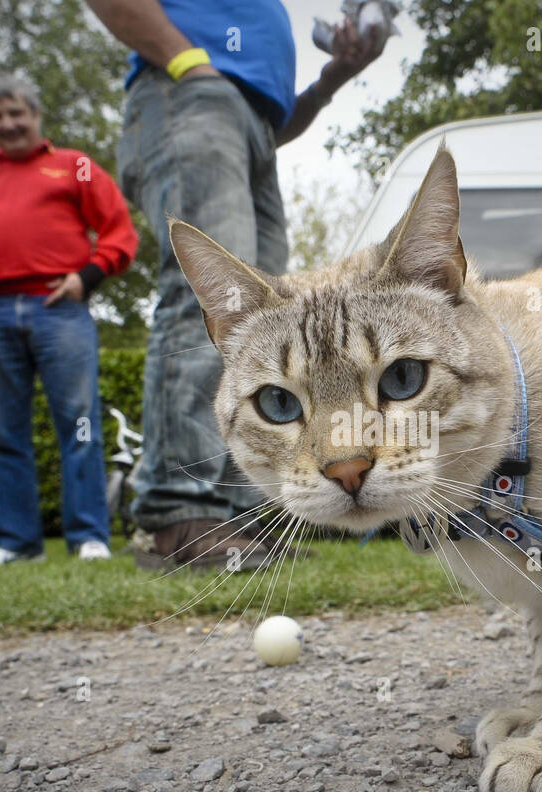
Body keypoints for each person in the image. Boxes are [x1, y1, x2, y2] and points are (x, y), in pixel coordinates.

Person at [84, 0, 386, 570]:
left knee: (261, 328)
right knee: (211, 300)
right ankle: (180, 511)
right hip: (188, 93)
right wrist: (190, 65)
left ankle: (242, 515)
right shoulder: (199, 62)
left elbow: (281, 121)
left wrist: (329, 81)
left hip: (255, 124)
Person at [0, 75, 138, 566]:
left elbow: (118, 230)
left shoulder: (73, 167)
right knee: (1, 431)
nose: (8, 124)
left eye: (17, 114)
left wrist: (86, 278)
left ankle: (89, 537)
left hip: (61, 308)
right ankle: (14, 542)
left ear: (35, 115)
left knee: (78, 424)